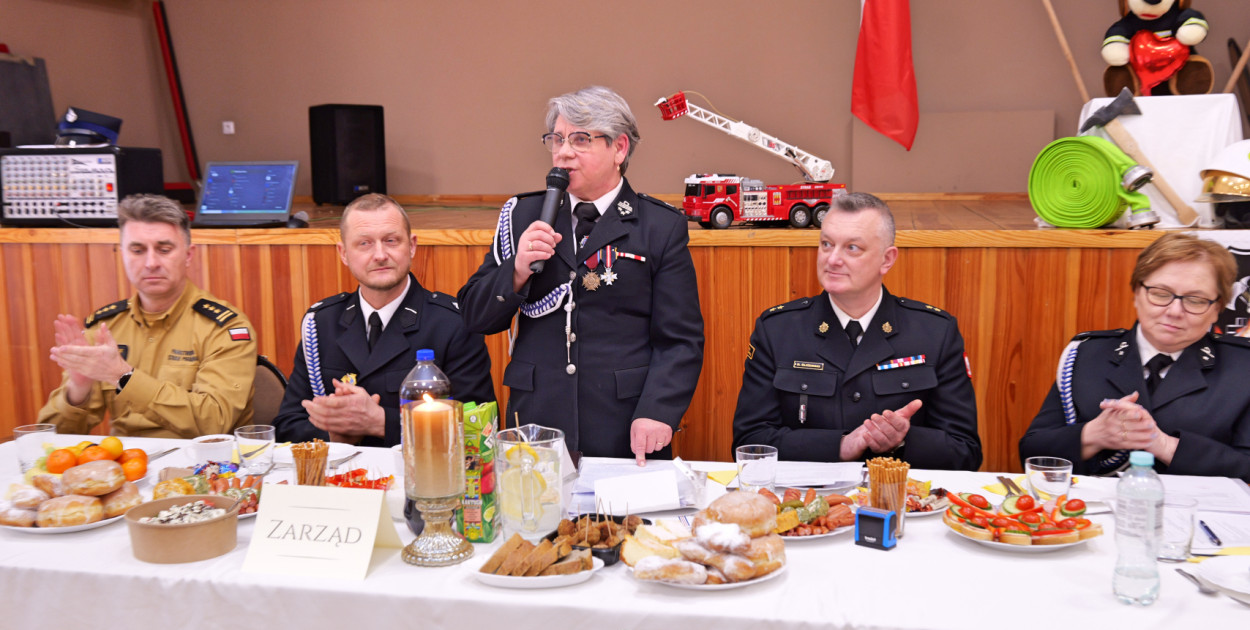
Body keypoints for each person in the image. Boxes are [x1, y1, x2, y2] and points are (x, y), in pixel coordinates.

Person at [457, 86, 704, 465]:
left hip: (622, 423)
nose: (563, 152)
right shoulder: (524, 215)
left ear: (619, 148)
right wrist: (518, 270)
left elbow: (680, 339)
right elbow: (475, 315)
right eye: (556, 139)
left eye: (581, 139)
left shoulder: (658, 226)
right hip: (536, 422)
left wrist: (659, 409)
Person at [732, 192, 982, 469]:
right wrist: (840, 445)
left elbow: (966, 451)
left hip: (902, 501)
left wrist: (902, 440)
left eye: (852, 248)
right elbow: (750, 444)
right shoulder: (777, 330)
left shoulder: (935, 333)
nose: (833, 259)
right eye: (826, 244)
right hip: (807, 501)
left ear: (887, 260)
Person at [1020, 233, 1250, 482]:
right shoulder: (1087, 354)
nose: (1174, 311)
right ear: (1136, 293)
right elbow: (1032, 452)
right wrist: (1092, 435)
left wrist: (1164, 445)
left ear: (1217, 309)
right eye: (1161, 294)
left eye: (1195, 300)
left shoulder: (1242, 368)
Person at [273, 193, 495, 447]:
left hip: (422, 479)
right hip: (340, 483)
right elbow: (287, 426)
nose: (380, 254)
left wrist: (379, 422)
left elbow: (478, 428)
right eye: (364, 243)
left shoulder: (453, 324)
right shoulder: (321, 323)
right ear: (343, 253)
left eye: (391, 240)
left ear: (411, 246)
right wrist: (339, 434)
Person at [37, 194, 257, 437]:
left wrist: (122, 376)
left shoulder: (223, 328)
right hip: (126, 466)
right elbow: (50, 438)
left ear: (188, 255)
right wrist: (77, 389)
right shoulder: (105, 327)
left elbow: (215, 421)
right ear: (122, 254)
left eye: (164, 249)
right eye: (138, 250)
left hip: (201, 467)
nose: (151, 262)